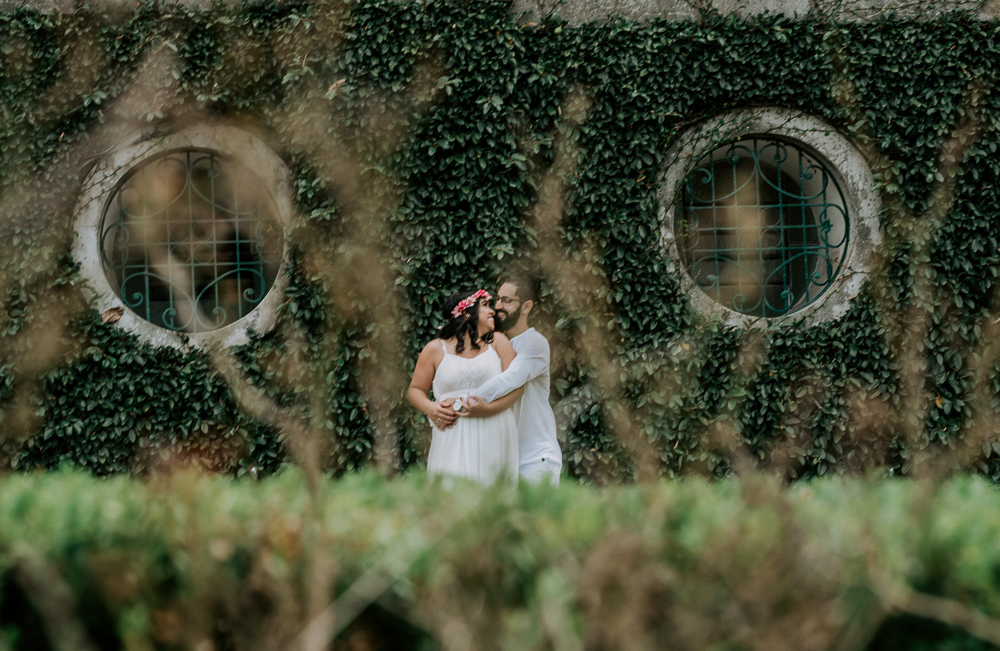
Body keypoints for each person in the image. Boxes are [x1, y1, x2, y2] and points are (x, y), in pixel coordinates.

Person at [407, 289, 524, 485]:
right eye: (485, 305)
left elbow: (517, 388)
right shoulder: (435, 349)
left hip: (494, 429)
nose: (493, 310)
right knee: (450, 493)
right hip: (451, 433)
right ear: (467, 312)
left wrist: (487, 410)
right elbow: (415, 390)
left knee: (492, 494)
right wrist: (431, 408)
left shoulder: (498, 343)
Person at [461, 277, 562, 486]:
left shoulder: (535, 343)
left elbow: (510, 380)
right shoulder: (492, 344)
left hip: (536, 459)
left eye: (507, 301)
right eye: (497, 299)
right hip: (504, 460)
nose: (498, 306)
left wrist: (460, 404)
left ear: (526, 306)